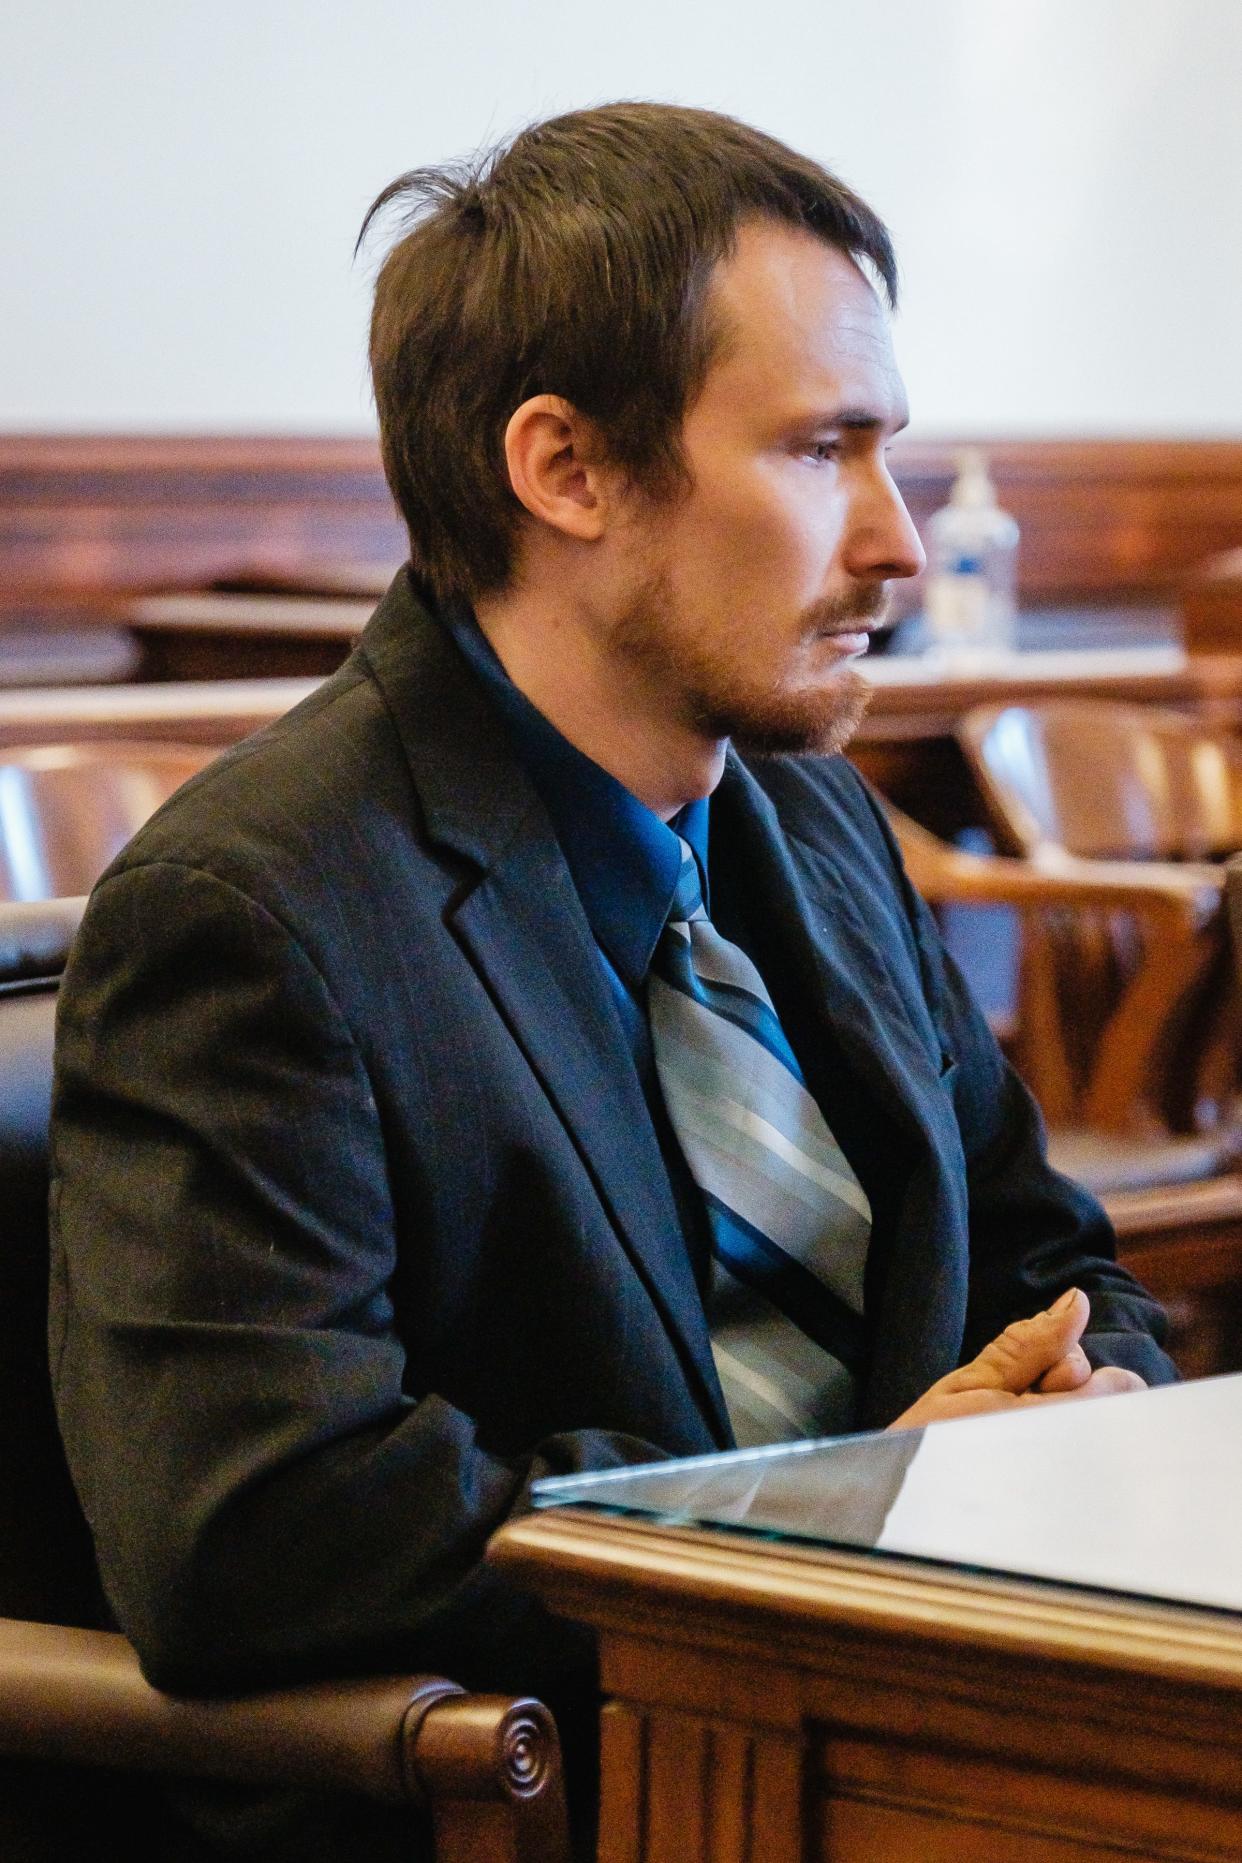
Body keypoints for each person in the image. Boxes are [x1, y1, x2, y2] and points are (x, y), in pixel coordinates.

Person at [49, 103, 1174, 1858]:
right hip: (550, 1793)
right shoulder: (252, 910)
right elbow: (253, 1529)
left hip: (895, 1735)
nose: (897, 542)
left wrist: (1072, 1411)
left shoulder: (809, 823)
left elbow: (1056, 1262)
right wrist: (846, 1514)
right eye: (822, 451)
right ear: (565, 469)